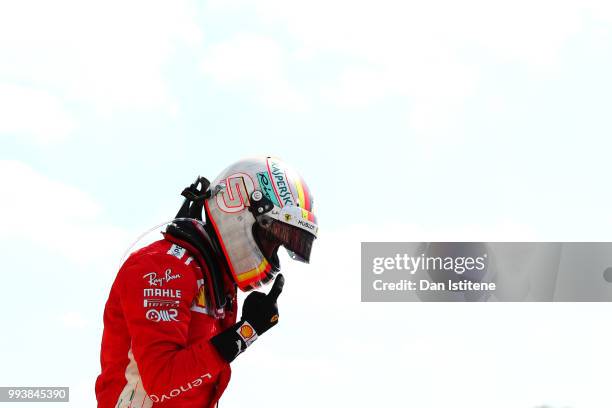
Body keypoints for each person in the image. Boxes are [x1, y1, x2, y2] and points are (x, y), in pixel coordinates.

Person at [95, 157, 318, 408]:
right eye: (272, 237)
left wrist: (245, 331)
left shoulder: (216, 282)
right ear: (239, 211)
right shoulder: (162, 267)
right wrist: (245, 332)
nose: (273, 251)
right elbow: (161, 381)